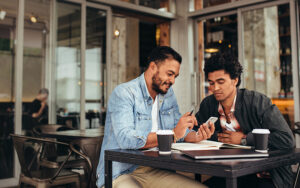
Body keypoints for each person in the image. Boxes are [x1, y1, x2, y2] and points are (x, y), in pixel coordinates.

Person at [96, 46, 215, 188]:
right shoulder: (124, 93)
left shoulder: (168, 95)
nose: (172, 81)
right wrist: (173, 134)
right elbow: (126, 139)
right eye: (169, 74)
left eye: (175, 76)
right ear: (153, 67)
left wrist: (196, 136)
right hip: (121, 172)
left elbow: (178, 132)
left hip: (156, 168)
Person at [195, 53, 295, 188]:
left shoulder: (257, 102)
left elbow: (286, 140)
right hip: (231, 173)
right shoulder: (208, 104)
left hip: (266, 175)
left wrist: (244, 139)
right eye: (211, 83)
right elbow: (196, 131)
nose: (215, 88)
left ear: (235, 80)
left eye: (220, 82)